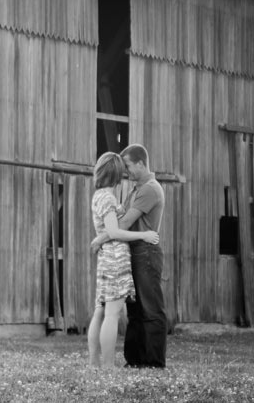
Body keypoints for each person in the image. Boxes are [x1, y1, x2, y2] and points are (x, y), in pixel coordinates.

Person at [91, 144, 167, 368]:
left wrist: (100, 239)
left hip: (145, 252)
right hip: (133, 250)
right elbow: (118, 216)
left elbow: (122, 223)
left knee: (151, 308)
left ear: (141, 164)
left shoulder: (150, 189)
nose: (126, 171)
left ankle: (153, 361)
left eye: (129, 166)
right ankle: (135, 359)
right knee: (135, 310)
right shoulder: (134, 189)